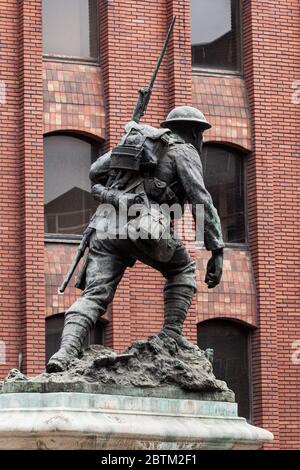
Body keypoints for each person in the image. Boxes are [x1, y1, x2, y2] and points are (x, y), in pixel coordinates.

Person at [46, 106, 225, 373]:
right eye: (200, 134)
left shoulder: (136, 141)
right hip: (145, 226)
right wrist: (216, 247)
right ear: (194, 132)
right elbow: (201, 199)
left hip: (105, 227)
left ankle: (64, 352)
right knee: (183, 269)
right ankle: (172, 333)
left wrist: (115, 197)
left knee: (94, 295)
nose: (200, 140)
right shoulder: (183, 150)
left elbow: (95, 172)